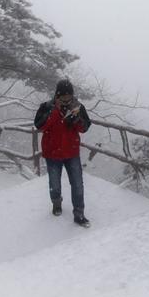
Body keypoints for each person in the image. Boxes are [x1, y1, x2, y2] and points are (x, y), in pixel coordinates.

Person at [34, 79, 92, 227]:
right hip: (52, 153)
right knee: (54, 183)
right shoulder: (47, 107)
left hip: (71, 152)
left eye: (69, 96)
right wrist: (54, 112)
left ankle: (79, 214)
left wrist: (76, 119)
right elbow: (39, 125)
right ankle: (56, 203)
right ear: (57, 95)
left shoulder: (78, 107)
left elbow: (85, 127)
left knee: (77, 184)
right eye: (63, 97)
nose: (66, 99)